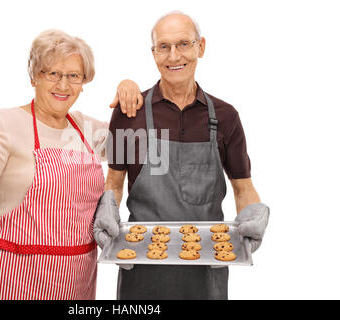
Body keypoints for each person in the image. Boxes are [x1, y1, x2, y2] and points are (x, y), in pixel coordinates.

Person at [0, 29, 142, 300]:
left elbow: (137, 144)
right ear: (33, 76)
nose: (63, 85)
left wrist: (129, 88)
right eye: (52, 73)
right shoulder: (5, 123)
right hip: (12, 277)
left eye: (74, 76)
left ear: (84, 82)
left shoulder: (87, 128)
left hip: (75, 278)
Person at [94, 11, 270, 300]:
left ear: (201, 47)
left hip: (208, 270)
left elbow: (243, 186)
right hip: (140, 270)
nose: (174, 56)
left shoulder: (225, 117)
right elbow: (114, 182)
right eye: (163, 47)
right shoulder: (129, 115)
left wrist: (252, 215)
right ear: (153, 53)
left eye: (183, 44)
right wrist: (107, 213)